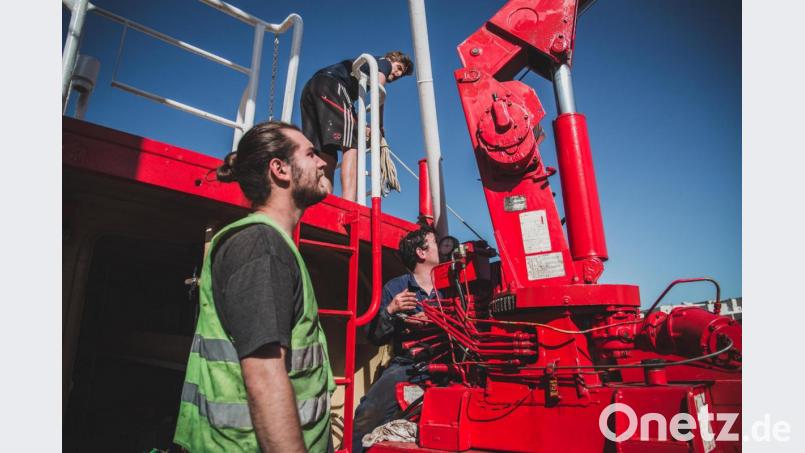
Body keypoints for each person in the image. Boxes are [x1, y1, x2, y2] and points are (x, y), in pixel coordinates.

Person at [174, 121, 336, 452]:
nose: (322, 162)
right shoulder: (262, 246)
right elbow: (264, 378)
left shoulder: (269, 243)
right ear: (280, 170)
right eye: (310, 154)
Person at [352, 225, 441, 452]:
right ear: (421, 253)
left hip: (447, 364)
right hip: (408, 365)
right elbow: (375, 337)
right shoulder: (396, 288)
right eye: (435, 243)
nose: (440, 248)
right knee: (367, 412)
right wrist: (391, 310)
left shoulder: (450, 286)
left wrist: (437, 320)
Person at [300, 51, 413, 202]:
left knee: (326, 153)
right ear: (391, 59)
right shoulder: (383, 63)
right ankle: (349, 202)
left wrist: (361, 124)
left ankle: (321, 199)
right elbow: (378, 92)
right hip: (333, 87)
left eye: (401, 73)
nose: (398, 74)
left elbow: (348, 111)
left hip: (312, 89)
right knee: (353, 143)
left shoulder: (363, 72)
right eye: (398, 68)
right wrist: (378, 125)